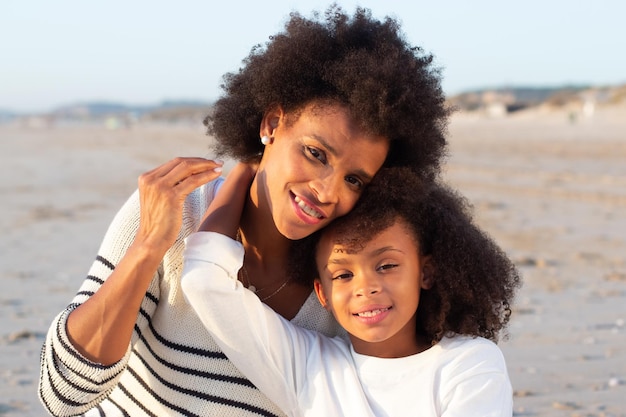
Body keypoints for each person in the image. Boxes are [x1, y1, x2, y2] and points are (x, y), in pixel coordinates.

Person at [38, 6, 450, 416]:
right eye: (315, 153)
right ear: (271, 123)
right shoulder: (178, 212)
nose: (327, 191)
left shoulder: (348, 284)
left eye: (354, 180)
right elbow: (63, 396)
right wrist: (148, 247)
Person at [181, 166, 521, 416]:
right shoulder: (309, 364)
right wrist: (249, 167)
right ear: (323, 293)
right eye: (343, 274)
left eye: (387, 265)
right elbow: (204, 280)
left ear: (426, 272)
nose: (366, 287)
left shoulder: (468, 362)